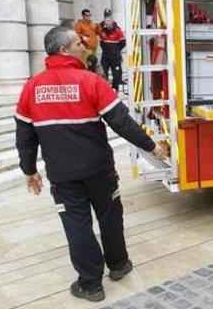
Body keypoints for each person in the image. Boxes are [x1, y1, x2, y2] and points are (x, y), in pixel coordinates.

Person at [15, 25, 165, 302]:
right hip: (99, 170)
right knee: (109, 215)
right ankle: (119, 265)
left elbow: (24, 135)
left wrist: (29, 170)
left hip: (62, 174)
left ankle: (90, 284)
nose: (85, 45)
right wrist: (152, 146)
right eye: (78, 43)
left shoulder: (32, 87)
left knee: (76, 224)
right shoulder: (90, 81)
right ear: (63, 50)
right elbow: (121, 122)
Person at [99, 9, 126, 91]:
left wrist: (116, 50)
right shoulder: (101, 29)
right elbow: (101, 42)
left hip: (115, 56)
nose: (107, 22)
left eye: (109, 19)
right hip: (105, 56)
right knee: (104, 72)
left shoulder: (117, 30)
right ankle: (104, 89)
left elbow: (123, 42)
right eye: (106, 19)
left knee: (116, 74)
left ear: (112, 19)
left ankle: (115, 89)